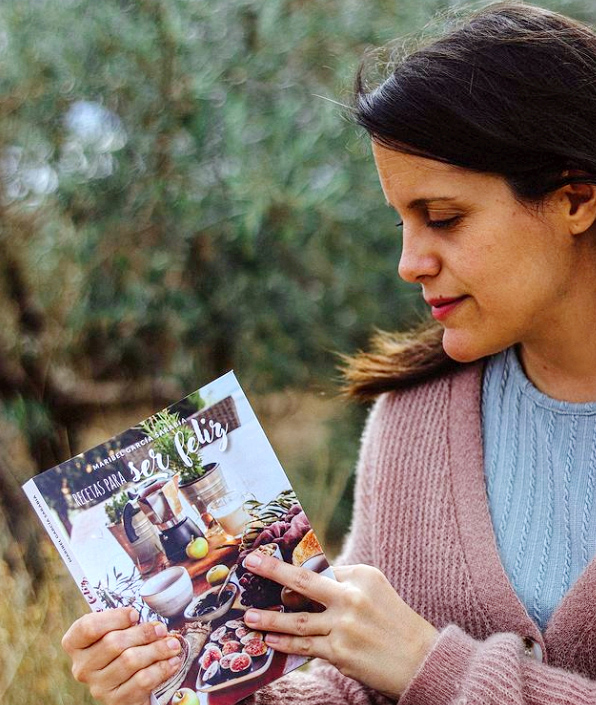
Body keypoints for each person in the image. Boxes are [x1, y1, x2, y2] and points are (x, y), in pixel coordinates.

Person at [62, 2, 596, 703]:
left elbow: (407, 667)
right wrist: (192, 687)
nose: (409, 262)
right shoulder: (414, 420)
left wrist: (428, 666)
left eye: (443, 218)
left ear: (577, 198)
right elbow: (354, 687)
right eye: (401, 221)